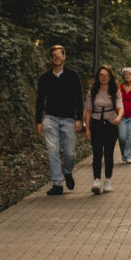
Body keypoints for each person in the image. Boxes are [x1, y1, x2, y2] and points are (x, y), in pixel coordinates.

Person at [35, 45, 84, 196]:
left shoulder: (73, 76)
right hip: (50, 119)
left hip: (69, 119)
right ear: (50, 59)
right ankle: (57, 184)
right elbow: (39, 100)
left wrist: (79, 118)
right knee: (52, 151)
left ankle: (67, 172)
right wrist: (38, 121)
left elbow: (78, 99)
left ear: (64, 57)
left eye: (59, 55)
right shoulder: (45, 78)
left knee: (70, 154)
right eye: (54, 56)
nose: (57, 58)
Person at [84, 65, 123, 194]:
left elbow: (120, 107)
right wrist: (87, 129)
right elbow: (88, 111)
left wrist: (119, 117)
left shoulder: (115, 91)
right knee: (96, 153)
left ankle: (107, 180)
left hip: (111, 124)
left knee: (108, 153)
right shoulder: (93, 91)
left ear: (110, 77)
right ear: (98, 77)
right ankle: (96, 180)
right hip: (96, 123)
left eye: (106, 75)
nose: (103, 78)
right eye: (101, 75)